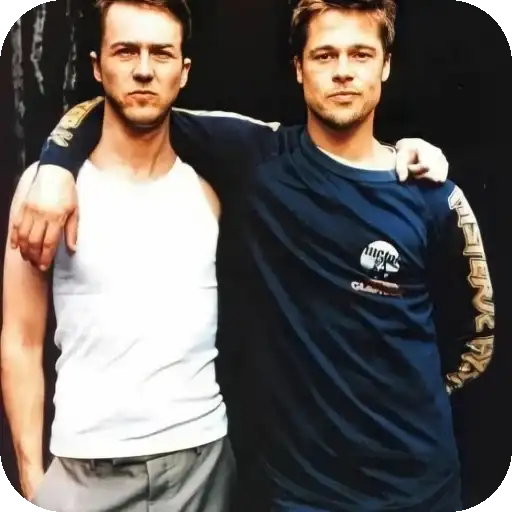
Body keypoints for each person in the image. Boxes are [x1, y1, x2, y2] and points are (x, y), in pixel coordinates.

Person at [8, 0, 495, 511]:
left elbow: (475, 338)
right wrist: (56, 163)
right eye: (325, 55)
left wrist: (406, 396)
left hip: (418, 490)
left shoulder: (429, 195)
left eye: (361, 54)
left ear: (386, 64)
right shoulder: (257, 159)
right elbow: (133, 104)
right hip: (297, 493)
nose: (343, 71)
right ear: (298, 67)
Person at [1, 0, 235, 510]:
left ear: (183, 72)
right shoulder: (45, 192)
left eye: (161, 53)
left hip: (202, 466)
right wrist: (33, 482)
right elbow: (20, 338)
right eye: (126, 51)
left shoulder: (210, 191)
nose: (144, 69)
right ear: (97, 66)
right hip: (83, 474)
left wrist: (401, 152)